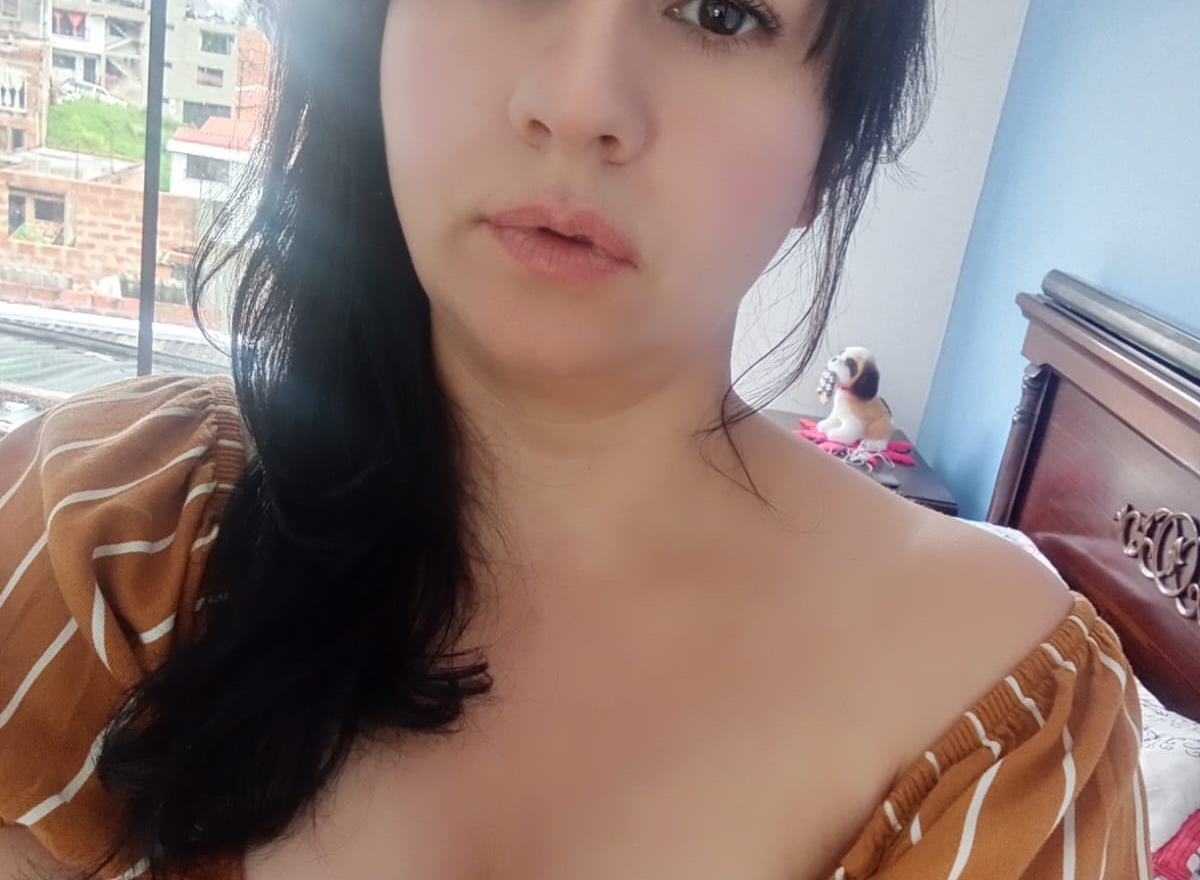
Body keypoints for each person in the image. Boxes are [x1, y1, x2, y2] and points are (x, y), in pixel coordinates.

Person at [0, 0, 1151, 878]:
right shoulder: (108, 525)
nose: (579, 99)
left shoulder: (1001, 702)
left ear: (829, 149)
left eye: (719, 11)